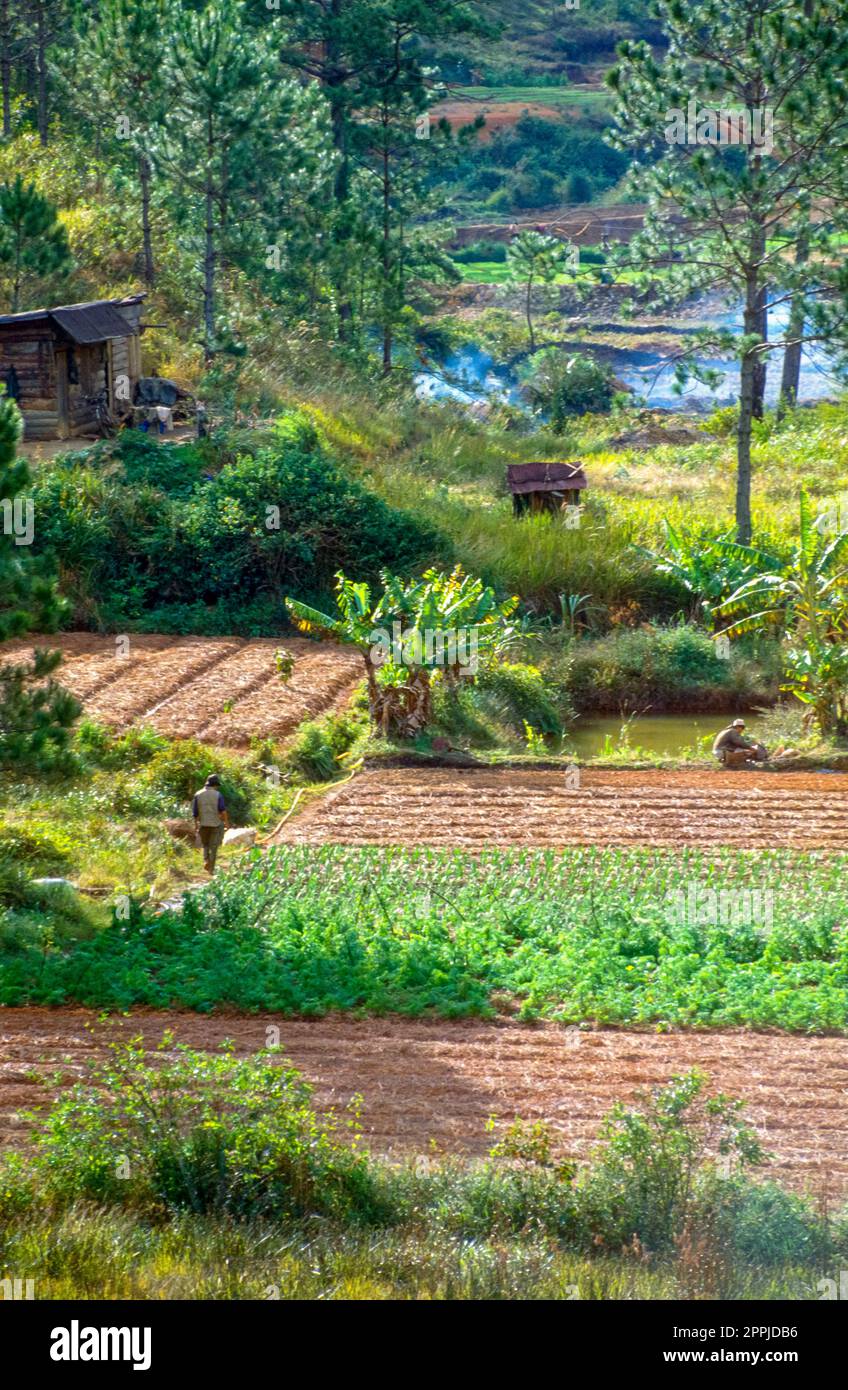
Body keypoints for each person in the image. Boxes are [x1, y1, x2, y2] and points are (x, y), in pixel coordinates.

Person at [191, 773, 230, 873]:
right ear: (215, 785)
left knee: (205, 845)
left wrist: (196, 825)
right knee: (214, 847)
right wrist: (226, 823)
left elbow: (195, 813)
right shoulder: (218, 795)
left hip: (203, 824)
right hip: (215, 824)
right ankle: (211, 869)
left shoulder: (198, 794)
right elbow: (223, 811)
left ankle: (206, 860)